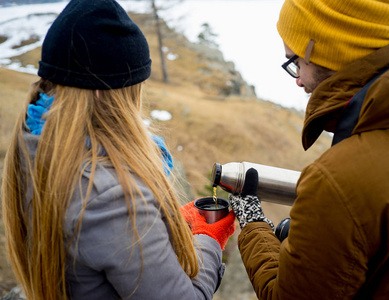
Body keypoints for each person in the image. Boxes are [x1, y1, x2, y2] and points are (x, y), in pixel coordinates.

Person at [1, 0, 235, 299]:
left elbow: (98, 241)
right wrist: (208, 240)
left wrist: (161, 224)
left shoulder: (37, 142)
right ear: (103, 92)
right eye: (134, 87)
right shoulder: (111, 196)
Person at [228, 0, 389, 299]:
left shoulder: (337, 180)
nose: (297, 80)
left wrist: (253, 222)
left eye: (295, 62)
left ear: (322, 51)